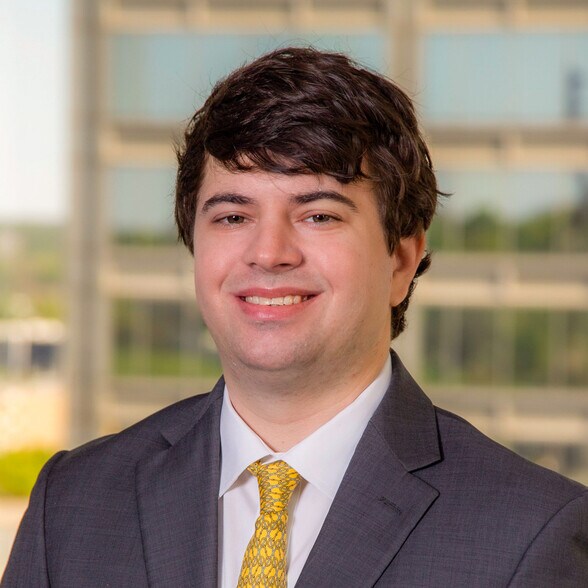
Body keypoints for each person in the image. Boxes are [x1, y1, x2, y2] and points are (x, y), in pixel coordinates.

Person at [3, 47, 587, 588]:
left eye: (319, 216)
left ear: (402, 260)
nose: (269, 252)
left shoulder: (532, 535)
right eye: (233, 217)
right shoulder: (72, 503)